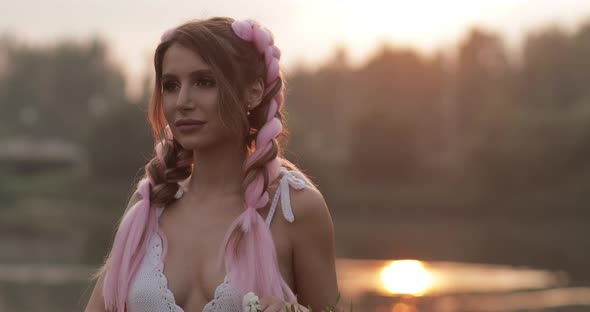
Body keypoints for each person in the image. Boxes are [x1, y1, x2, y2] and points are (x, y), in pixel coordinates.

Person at [84, 17, 339, 312]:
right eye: (171, 85)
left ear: (253, 92)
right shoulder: (149, 204)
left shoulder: (294, 208)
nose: (182, 101)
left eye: (204, 82)